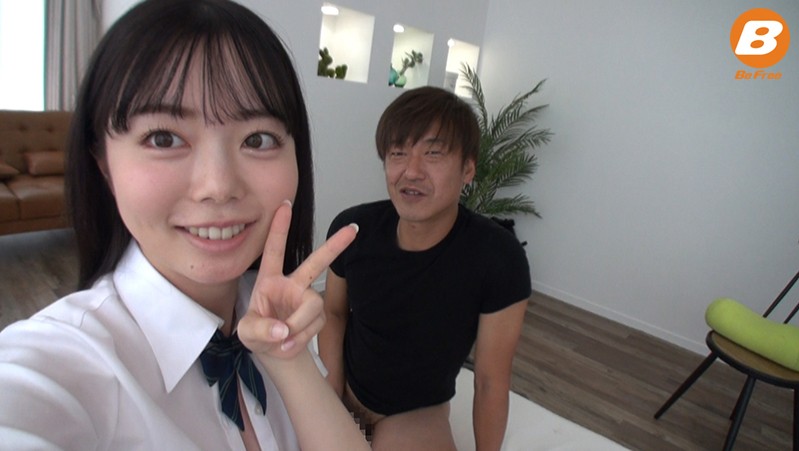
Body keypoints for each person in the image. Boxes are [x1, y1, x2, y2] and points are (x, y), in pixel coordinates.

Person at [0, 1, 369, 450]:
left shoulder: (277, 313)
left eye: (257, 139)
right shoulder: (61, 365)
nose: (218, 187)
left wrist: (289, 361)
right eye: (164, 138)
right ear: (103, 164)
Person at [318, 86, 532, 450]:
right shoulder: (353, 229)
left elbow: (490, 380)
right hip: (347, 388)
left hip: (415, 413)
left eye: (433, 153)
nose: (411, 171)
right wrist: (331, 394)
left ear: (467, 169)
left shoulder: (497, 257)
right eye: (398, 153)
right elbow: (334, 313)